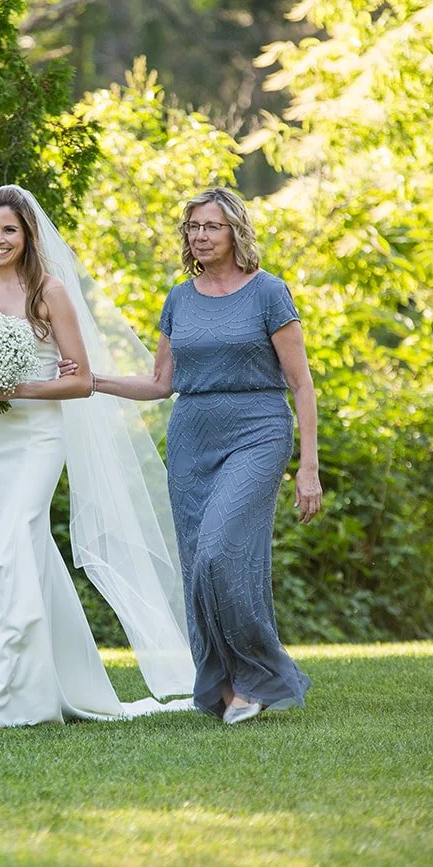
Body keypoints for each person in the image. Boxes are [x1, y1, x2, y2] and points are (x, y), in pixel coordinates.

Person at [0, 185, 195, 728]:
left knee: (13, 539)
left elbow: (80, 380)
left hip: (37, 437)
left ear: (28, 235)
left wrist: (17, 389)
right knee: (5, 548)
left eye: (9, 230)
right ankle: (56, 681)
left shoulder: (49, 291)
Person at [94, 185, 321, 725]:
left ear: (235, 231)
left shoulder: (268, 292)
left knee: (223, 552)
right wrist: (96, 381)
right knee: (198, 565)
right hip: (192, 437)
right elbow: (161, 383)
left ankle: (258, 677)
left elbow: (302, 383)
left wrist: (307, 467)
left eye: (211, 226)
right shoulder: (180, 297)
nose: (200, 235)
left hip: (257, 430)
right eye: (193, 227)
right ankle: (222, 684)